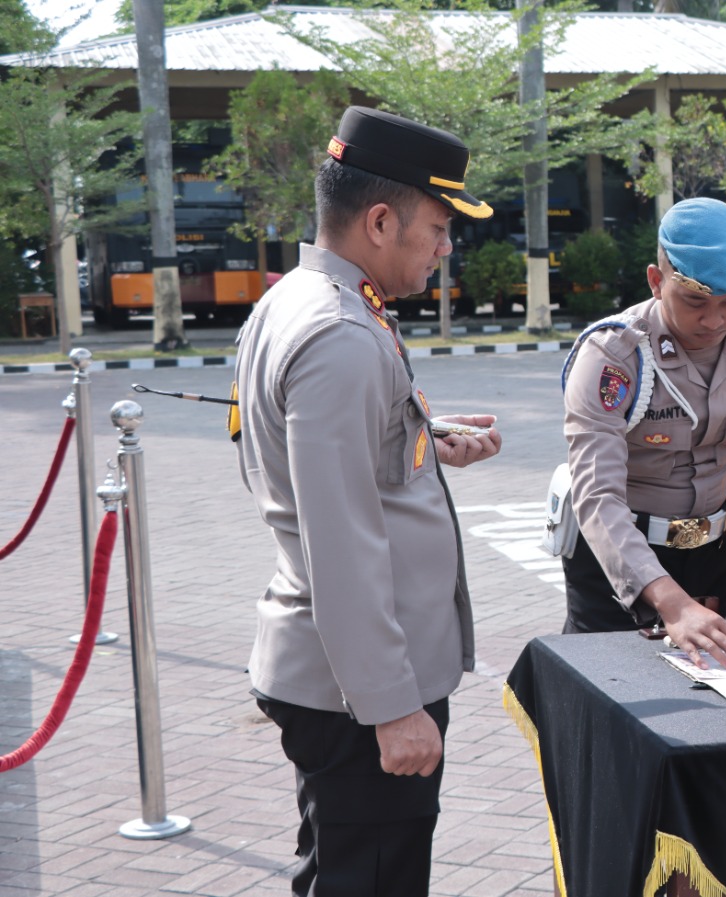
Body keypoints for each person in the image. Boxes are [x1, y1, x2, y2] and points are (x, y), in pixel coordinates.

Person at [233, 106, 504, 897]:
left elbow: (306, 455)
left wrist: (421, 430)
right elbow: (340, 540)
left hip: (337, 678)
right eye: (439, 225)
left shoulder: (301, 300)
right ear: (380, 220)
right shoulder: (343, 334)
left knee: (341, 871)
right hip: (360, 694)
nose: (447, 246)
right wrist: (391, 707)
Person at [559, 197, 726, 668]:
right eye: (695, 301)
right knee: (612, 699)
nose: (715, 321)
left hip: (714, 555)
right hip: (619, 557)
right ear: (655, 280)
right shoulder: (614, 357)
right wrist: (672, 603)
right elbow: (597, 496)